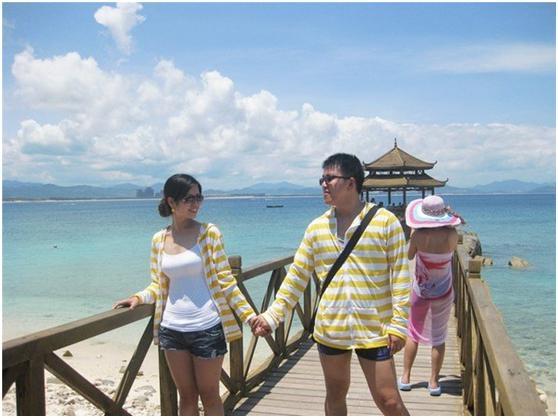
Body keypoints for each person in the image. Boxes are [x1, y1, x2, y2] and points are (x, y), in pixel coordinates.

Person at [251, 153, 411, 416]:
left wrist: (399, 324)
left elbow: (402, 278)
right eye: (321, 179)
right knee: (335, 396)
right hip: (331, 327)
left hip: (375, 328)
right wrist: (272, 316)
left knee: (389, 400)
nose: (323, 184)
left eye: (329, 178)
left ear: (351, 182)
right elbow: (296, 277)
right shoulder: (317, 228)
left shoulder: (385, 222)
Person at [114, 174, 256, 415]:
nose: (195, 204)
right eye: (189, 198)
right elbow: (158, 284)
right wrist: (139, 298)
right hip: (171, 329)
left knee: (210, 395)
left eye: (198, 197)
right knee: (186, 396)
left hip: (207, 326)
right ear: (171, 201)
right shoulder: (159, 240)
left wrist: (250, 317)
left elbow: (225, 280)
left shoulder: (209, 233)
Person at [399, 195, 462, 396]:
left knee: (413, 333)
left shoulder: (418, 236)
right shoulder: (451, 235)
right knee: (439, 336)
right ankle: (434, 382)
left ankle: (406, 378)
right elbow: (453, 248)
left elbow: (409, 255)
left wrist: (413, 234)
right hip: (444, 291)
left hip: (421, 291)